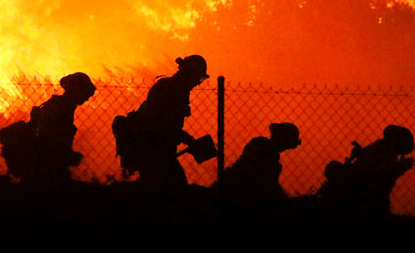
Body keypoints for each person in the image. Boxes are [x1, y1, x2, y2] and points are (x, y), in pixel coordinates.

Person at [126, 55, 210, 190]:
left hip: (159, 149)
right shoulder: (171, 89)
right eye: (198, 78)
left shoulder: (175, 89)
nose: (198, 83)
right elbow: (160, 123)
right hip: (154, 149)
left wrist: (184, 138)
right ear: (190, 73)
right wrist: (186, 139)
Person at [0, 72, 96, 184]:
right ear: (76, 90)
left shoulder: (64, 106)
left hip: (48, 163)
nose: (87, 99)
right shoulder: (57, 107)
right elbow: (45, 136)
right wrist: (64, 155)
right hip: (43, 166)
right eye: (85, 93)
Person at [317, 125, 415, 217]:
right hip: (366, 197)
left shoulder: (378, 147)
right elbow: (380, 176)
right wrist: (399, 168)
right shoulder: (385, 152)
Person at [218, 122, 301, 213]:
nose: (286, 147)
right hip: (244, 192)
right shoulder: (267, 152)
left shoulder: (261, 145)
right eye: (287, 142)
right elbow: (267, 182)